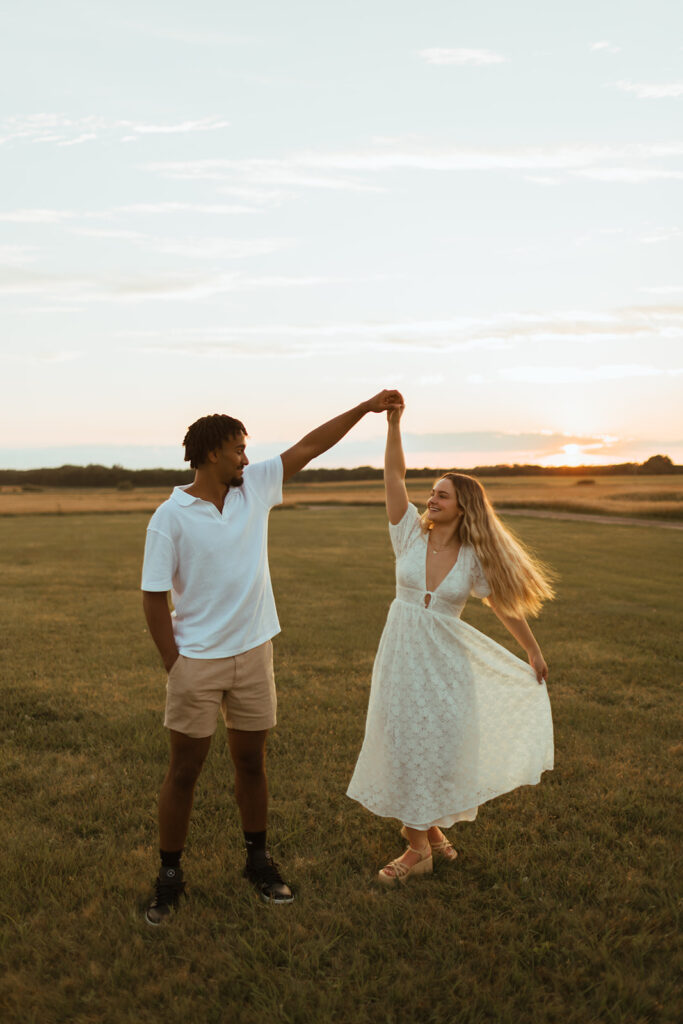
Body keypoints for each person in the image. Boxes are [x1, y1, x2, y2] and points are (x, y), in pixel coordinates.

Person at [141, 389, 403, 923]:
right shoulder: (169, 517)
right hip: (196, 663)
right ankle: (170, 873)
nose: (246, 456)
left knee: (251, 763)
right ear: (212, 453)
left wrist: (364, 408)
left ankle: (258, 860)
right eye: (239, 448)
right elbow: (152, 596)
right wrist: (178, 665)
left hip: (254, 656)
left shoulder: (254, 489)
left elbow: (310, 445)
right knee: (184, 771)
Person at [347, 402, 555, 885]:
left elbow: (504, 605)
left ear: (464, 506)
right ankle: (433, 835)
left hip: (445, 664)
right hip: (401, 658)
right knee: (404, 740)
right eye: (432, 493)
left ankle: (416, 850)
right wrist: (395, 425)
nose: (432, 499)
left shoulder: (472, 558)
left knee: (437, 743)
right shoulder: (408, 537)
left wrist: (533, 650)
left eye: (442, 495)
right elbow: (394, 477)